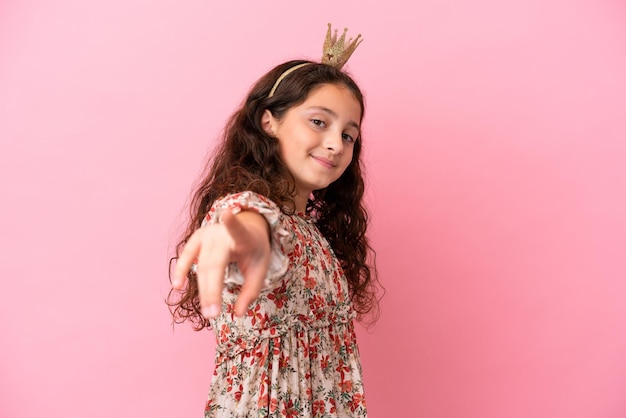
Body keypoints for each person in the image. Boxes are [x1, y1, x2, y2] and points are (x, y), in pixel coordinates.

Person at [168, 24, 381, 418]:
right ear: (270, 122)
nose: (336, 143)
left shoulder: (312, 233)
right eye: (319, 122)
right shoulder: (248, 211)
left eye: (349, 135)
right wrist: (247, 236)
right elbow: (252, 225)